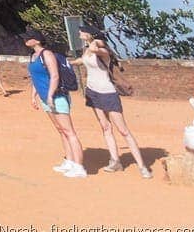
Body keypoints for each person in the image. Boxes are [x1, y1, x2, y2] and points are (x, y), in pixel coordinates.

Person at [80, 34, 152, 178]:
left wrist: (94, 41)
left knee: (123, 130)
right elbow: (84, 60)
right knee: (105, 127)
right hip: (93, 91)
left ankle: (142, 166)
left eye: (82, 31)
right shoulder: (86, 50)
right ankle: (115, 161)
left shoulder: (102, 51)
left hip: (107, 93)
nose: (79, 34)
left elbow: (95, 50)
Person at [23, 29, 86, 178]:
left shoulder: (47, 54)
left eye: (29, 38)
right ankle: (69, 161)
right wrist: (34, 96)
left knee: (69, 131)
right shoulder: (33, 56)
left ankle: (79, 167)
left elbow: (55, 75)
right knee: (61, 130)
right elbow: (36, 78)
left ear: (37, 40)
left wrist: (50, 95)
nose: (26, 40)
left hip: (56, 97)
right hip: (45, 98)